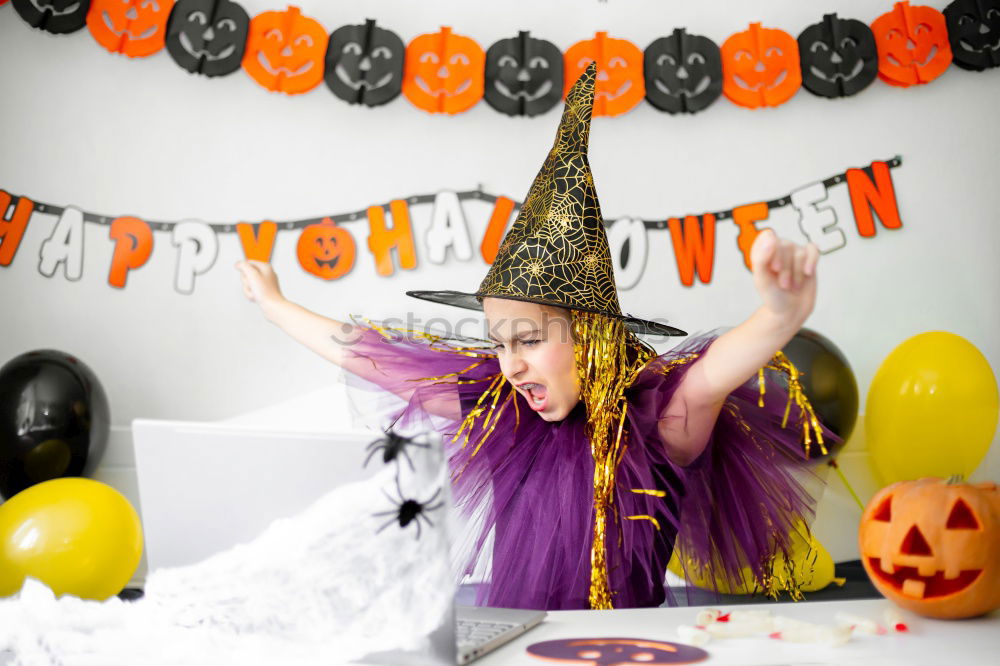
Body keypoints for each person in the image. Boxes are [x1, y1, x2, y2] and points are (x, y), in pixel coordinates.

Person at [236, 64, 830, 611]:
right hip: (517, 645)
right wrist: (276, 307)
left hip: (626, 649)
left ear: (591, 337)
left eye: (527, 340)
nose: (510, 365)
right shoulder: (501, 415)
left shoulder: (658, 422)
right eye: (498, 343)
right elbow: (372, 358)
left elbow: (714, 374)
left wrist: (778, 317)